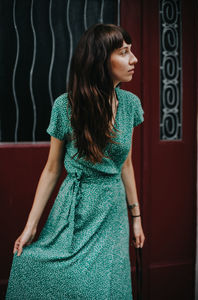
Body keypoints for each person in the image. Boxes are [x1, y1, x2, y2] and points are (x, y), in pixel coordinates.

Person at [6, 23, 145, 299]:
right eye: (124, 52)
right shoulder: (66, 106)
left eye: (131, 52)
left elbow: (126, 165)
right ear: (101, 60)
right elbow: (52, 169)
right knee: (46, 272)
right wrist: (31, 226)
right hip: (75, 207)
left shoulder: (131, 105)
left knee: (108, 285)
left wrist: (136, 218)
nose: (134, 59)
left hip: (112, 211)